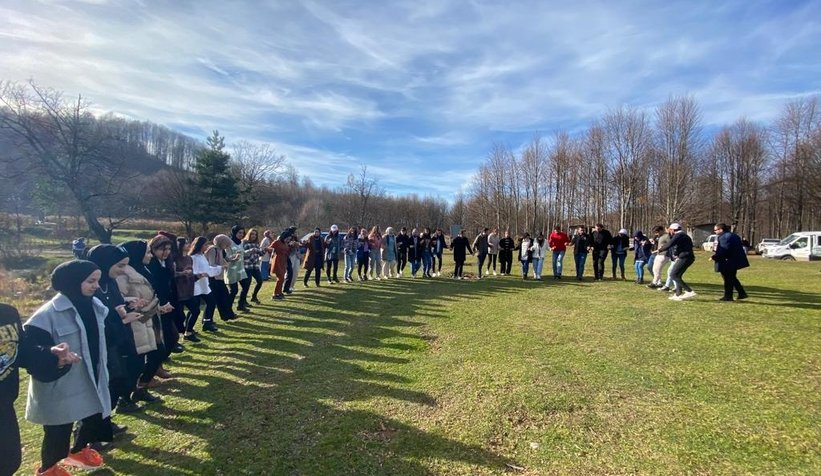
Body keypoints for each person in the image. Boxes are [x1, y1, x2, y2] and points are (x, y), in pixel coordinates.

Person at [25, 260, 112, 475]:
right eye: (91, 281)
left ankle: (78, 450)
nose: (96, 286)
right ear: (72, 282)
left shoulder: (94, 305)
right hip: (61, 382)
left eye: (98, 281)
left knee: (93, 413)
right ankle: (49, 469)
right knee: (58, 429)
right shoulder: (46, 315)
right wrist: (54, 357)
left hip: (89, 375)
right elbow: (31, 352)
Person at [1, 303, 79, 476]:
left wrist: (52, 355)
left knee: (9, 461)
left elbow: (23, 351)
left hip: (4, 405)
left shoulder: (6, 313)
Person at [86, 245, 142, 416]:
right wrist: (124, 318)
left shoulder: (110, 283)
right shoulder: (89, 289)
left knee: (128, 372)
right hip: (104, 343)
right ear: (105, 263)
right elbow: (92, 321)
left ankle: (107, 419)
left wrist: (128, 305)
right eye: (120, 266)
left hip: (119, 338)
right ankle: (94, 428)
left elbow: (114, 308)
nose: (123, 270)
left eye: (125, 265)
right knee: (112, 381)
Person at [118, 240, 166, 404]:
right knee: (136, 362)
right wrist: (132, 302)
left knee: (158, 352)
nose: (150, 255)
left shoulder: (143, 269)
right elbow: (120, 299)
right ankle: (125, 398)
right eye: (147, 252)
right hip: (137, 322)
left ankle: (140, 388)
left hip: (151, 317)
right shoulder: (124, 274)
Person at [146, 235, 177, 377]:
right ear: (153, 249)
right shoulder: (152, 264)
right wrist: (162, 303)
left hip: (168, 303)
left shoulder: (167, 262)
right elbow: (156, 286)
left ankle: (158, 365)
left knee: (172, 336)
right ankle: (154, 369)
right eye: (162, 249)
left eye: (169, 249)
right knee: (163, 338)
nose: (166, 252)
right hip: (158, 305)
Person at [204, 235, 239, 326]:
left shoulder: (220, 250)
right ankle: (208, 320)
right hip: (212, 278)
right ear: (221, 242)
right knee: (215, 299)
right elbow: (211, 265)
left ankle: (226, 315)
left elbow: (226, 259)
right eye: (226, 244)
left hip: (219, 277)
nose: (227, 246)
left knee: (223, 297)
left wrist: (234, 258)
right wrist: (222, 266)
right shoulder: (213, 250)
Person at [711, 223, 749, 301]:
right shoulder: (733, 235)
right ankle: (741, 293)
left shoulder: (724, 237)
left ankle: (728, 296)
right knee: (732, 277)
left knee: (728, 278)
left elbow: (724, 249)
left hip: (728, 261)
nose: (715, 232)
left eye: (715, 230)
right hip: (735, 260)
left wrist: (715, 257)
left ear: (721, 229)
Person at [658, 223, 696, 301]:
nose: (669, 232)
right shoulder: (683, 235)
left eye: (670, 230)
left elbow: (670, 244)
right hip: (686, 257)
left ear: (672, 230)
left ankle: (689, 291)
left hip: (685, 258)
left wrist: (660, 249)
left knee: (673, 274)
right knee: (677, 275)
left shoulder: (678, 235)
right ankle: (678, 294)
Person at [269, 227, 296, 300]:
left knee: (282, 279)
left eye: (289, 239)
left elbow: (287, 253)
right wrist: (272, 251)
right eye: (287, 238)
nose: (288, 240)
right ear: (284, 236)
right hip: (277, 261)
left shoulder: (286, 244)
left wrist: (291, 246)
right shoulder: (277, 242)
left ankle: (279, 292)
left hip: (283, 262)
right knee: (280, 278)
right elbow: (270, 248)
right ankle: (275, 294)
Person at [226, 225, 248, 312]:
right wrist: (234, 257)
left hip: (241, 269)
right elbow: (226, 256)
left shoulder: (241, 242)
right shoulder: (229, 243)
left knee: (246, 286)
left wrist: (250, 251)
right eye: (239, 232)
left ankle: (241, 305)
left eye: (242, 233)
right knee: (234, 291)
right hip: (231, 269)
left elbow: (242, 253)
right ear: (234, 232)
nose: (241, 234)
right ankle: (228, 309)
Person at [240, 228, 264, 306]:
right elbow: (242, 254)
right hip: (247, 265)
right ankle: (243, 301)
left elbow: (260, 253)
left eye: (255, 234)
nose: (254, 236)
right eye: (252, 234)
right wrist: (250, 251)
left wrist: (265, 250)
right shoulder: (244, 242)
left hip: (255, 266)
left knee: (260, 281)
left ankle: (254, 296)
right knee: (247, 284)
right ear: (249, 234)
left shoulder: (257, 243)